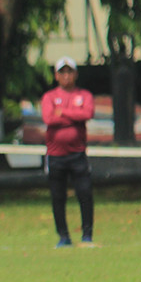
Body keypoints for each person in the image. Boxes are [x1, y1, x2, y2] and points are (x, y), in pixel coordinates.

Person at [41, 56, 96, 248]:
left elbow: (87, 114)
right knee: (58, 197)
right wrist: (74, 116)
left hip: (78, 154)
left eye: (69, 72)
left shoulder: (85, 95)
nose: (66, 76)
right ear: (56, 75)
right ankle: (63, 236)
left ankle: (87, 235)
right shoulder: (49, 97)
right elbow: (49, 119)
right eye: (62, 72)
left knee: (85, 193)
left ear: (75, 74)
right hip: (56, 156)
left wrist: (62, 112)